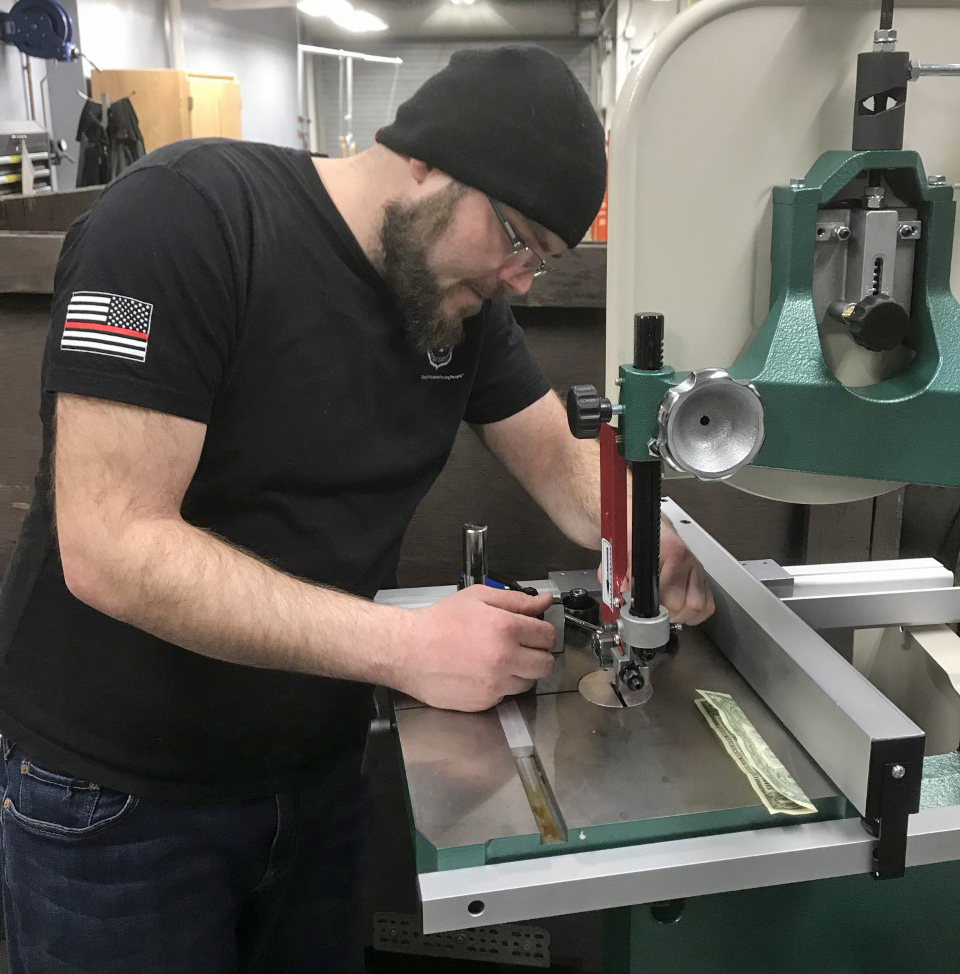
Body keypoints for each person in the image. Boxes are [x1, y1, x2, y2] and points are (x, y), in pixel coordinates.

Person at [0, 46, 713, 974]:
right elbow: (111, 546)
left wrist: (634, 526)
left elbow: (557, 461)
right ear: (427, 157)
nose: (519, 280)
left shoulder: (453, 304)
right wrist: (409, 649)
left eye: (540, 260)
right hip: (119, 801)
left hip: (314, 778)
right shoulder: (183, 219)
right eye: (517, 239)